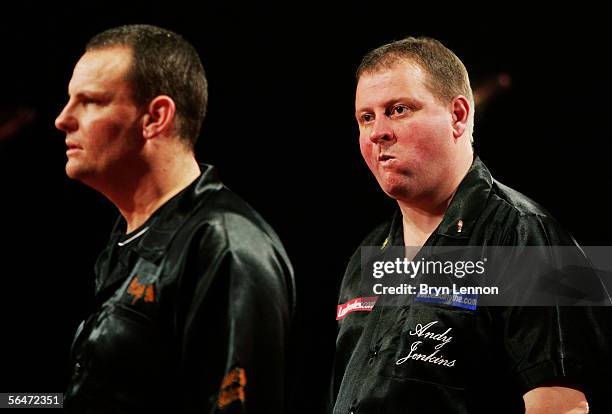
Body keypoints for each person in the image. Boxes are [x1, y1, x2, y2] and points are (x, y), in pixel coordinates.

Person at [331, 36, 610, 413]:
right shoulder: (366, 256)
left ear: (458, 115)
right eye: (366, 117)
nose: (378, 131)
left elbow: (565, 407)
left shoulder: (529, 236)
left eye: (398, 109)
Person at [55, 24, 295, 413]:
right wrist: (14, 401)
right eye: (70, 100)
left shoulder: (225, 243)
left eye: (91, 101)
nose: (63, 119)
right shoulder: (126, 237)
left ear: (155, 117)